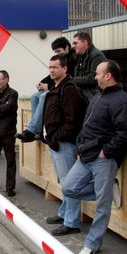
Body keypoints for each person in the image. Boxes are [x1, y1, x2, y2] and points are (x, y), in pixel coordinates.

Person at [62, 60, 127, 254]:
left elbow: (126, 132)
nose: (95, 77)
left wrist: (107, 152)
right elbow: (87, 125)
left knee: (102, 206)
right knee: (69, 188)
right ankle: (109, 192)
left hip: (104, 158)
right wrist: (79, 145)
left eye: (97, 73)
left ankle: (92, 244)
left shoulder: (122, 101)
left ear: (108, 76)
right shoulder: (97, 97)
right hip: (85, 154)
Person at [42, 54, 86, 236]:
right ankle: (64, 213)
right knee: (64, 182)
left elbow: (72, 120)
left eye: (55, 67)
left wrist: (57, 136)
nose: (51, 70)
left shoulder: (69, 89)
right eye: (50, 67)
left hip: (65, 144)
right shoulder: (56, 87)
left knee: (70, 184)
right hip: (55, 142)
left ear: (65, 69)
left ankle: (72, 222)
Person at [16, 37, 77, 142]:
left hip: (63, 89)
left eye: (59, 51)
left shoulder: (72, 60)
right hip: (56, 88)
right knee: (35, 96)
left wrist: (48, 87)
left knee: (44, 96)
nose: (57, 53)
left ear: (67, 47)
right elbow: (50, 77)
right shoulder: (62, 59)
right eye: (50, 67)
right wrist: (42, 83)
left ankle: (31, 130)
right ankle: (38, 130)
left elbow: (66, 79)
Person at [71, 32, 107, 102]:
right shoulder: (80, 56)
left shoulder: (96, 55)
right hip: (84, 95)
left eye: (75, 43)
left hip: (93, 98)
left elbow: (93, 78)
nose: (74, 46)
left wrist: (72, 79)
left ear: (85, 43)